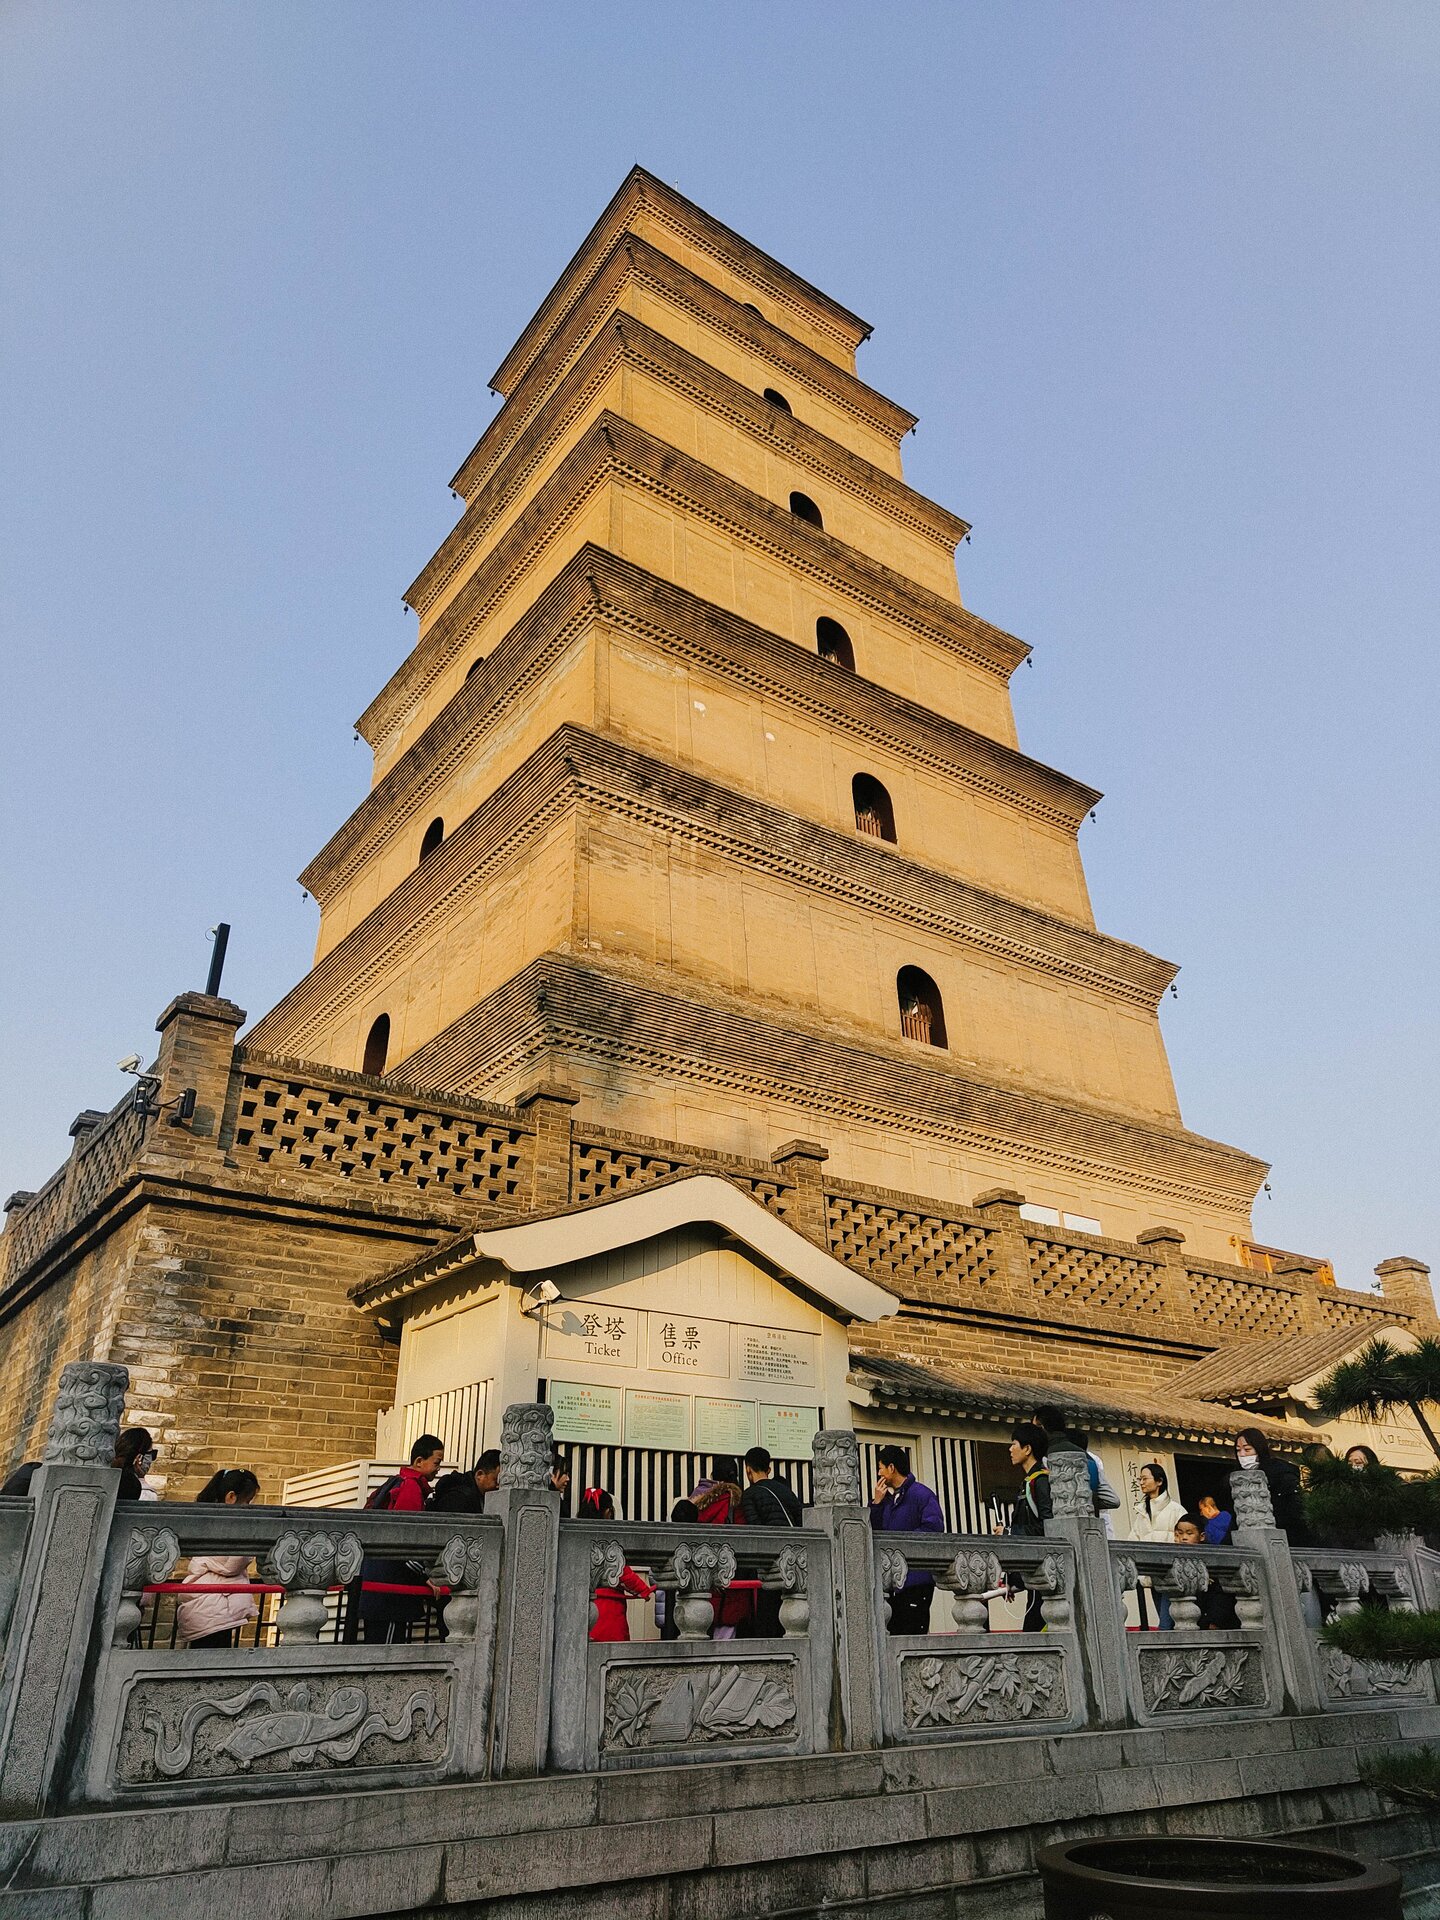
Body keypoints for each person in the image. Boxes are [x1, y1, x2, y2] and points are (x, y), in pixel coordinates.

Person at [358, 1433, 445, 1644]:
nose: (438, 1469)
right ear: (419, 1461)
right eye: (437, 1462)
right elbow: (404, 1540)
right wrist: (425, 1575)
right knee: (386, 1650)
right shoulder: (411, 1488)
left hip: (375, 1578)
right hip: (390, 1585)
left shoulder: (396, 1482)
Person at [176, 1469, 262, 1649]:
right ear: (231, 1497)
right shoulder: (226, 1527)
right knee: (212, 1659)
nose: (249, 1507)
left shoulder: (205, 1520)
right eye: (247, 1501)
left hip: (207, 1602)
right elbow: (232, 1565)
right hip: (216, 1606)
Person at [870, 1444, 945, 1634]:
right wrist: (876, 1504)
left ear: (891, 1468)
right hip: (892, 1582)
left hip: (916, 1580)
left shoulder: (921, 1494)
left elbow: (933, 1529)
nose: (879, 1473)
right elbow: (872, 1531)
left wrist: (901, 1543)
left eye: (880, 1467)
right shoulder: (887, 1500)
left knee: (912, 1634)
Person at [738, 1447, 803, 1638]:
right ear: (769, 1468)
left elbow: (756, 1531)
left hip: (770, 1565)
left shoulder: (750, 1495)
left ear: (748, 1469)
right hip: (794, 1561)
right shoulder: (786, 1491)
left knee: (769, 1620)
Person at [581, 1488, 656, 1641]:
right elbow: (621, 1570)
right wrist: (644, 1591)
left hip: (582, 1606)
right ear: (608, 1512)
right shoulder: (606, 1539)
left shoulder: (577, 1538)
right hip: (610, 1610)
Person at [688, 1457, 751, 1636]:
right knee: (725, 1639)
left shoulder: (695, 1501)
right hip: (727, 1581)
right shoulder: (733, 1502)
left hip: (698, 1576)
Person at [999, 1425, 1051, 1630]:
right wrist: (1012, 1577)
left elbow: (1048, 1528)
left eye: (1014, 1444)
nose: (1010, 1449)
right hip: (1033, 1574)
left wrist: (1009, 1533)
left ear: (1027, 1449)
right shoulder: (1027, 1482)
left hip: (1044, 1576)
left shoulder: (1040, 1482)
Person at [1035, 1406, 1120, 1521]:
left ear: (1042, 1427)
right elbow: (1112, 1500)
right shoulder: (1090, 1460)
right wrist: (1086, 1502)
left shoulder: (1047, 1458)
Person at [1130, 1463, 1184, 1630]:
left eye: (1145, 1478)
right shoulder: (1142, 1512)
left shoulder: (1176, 1510)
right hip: (1152, 1572)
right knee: (1165, 1619)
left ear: (1159, 1481)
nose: (1141, 1483)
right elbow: (1134, 1539)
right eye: (1140, 1479)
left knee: (1166, 1624)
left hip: (1170, 1572)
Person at [1235, 1428, 1310, 1544]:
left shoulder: (1280, 1472)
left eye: (1247, 1449)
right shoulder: (1238, 1477)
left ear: (1259, 1449)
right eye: (1238, 1450)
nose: (1242, 1455)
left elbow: (1294, 1509)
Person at [1172, 1512, 1239, 1630]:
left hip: (1212, 1620)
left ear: (1202, 1536)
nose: (1183, 1538)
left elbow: (1222, 1594)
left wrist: (1215, 1620)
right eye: (1180, 1533)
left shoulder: (1212, 1560)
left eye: (1189, 1533)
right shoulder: (1175, 1560)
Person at [431, 1449, 501, 1514]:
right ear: (479, 1475)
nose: (499, 1486)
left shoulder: (475, 1495)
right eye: (496, 1481)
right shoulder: (458, 1499)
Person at [114, 1428, 156, 1501]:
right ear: (139, 1457)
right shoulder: (135, 1487)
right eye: (150, 1454)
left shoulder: (108, 1473)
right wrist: (141, 1478)